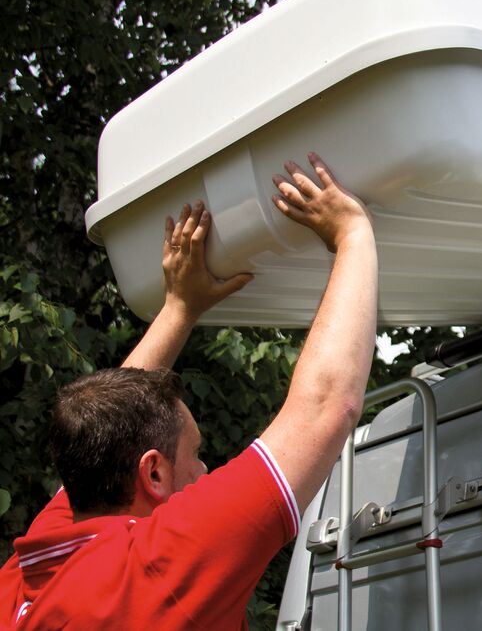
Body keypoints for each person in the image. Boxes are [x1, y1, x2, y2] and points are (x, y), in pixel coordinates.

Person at [0, 153, 378, 630]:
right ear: (152, 473)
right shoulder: (155, 570)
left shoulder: (31, 573)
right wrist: (354, 234)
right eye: (195, 453)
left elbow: (106, 420)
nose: (205, 469)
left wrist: (179, 307)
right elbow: (326, 407)